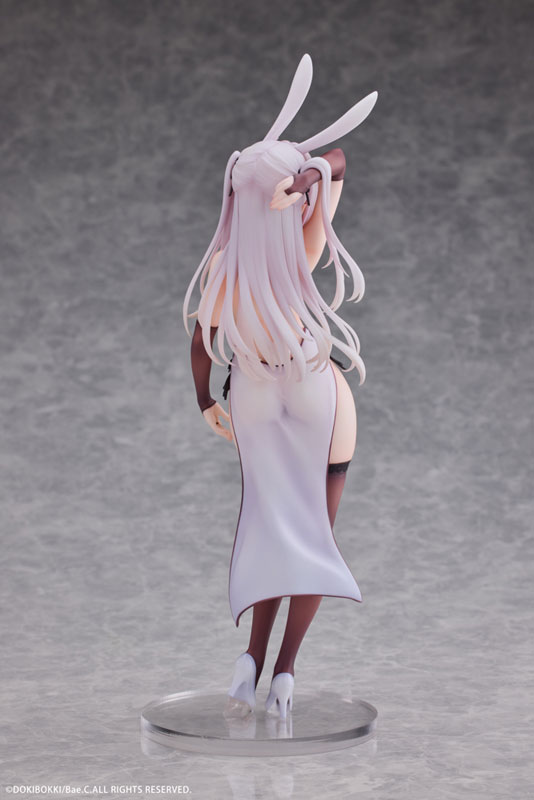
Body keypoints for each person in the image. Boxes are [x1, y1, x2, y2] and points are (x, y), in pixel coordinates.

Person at [183, 54, 378, 720]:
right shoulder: (303, 250)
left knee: (271, 527)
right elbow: (340, 159)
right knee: (311, 535)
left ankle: (249, 661)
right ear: (287, 197)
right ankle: (285, 673)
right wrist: (310, 176)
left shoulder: (225, 270)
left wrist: (206, 401)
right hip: (318, 392)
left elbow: (200, 344)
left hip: (255, 396)